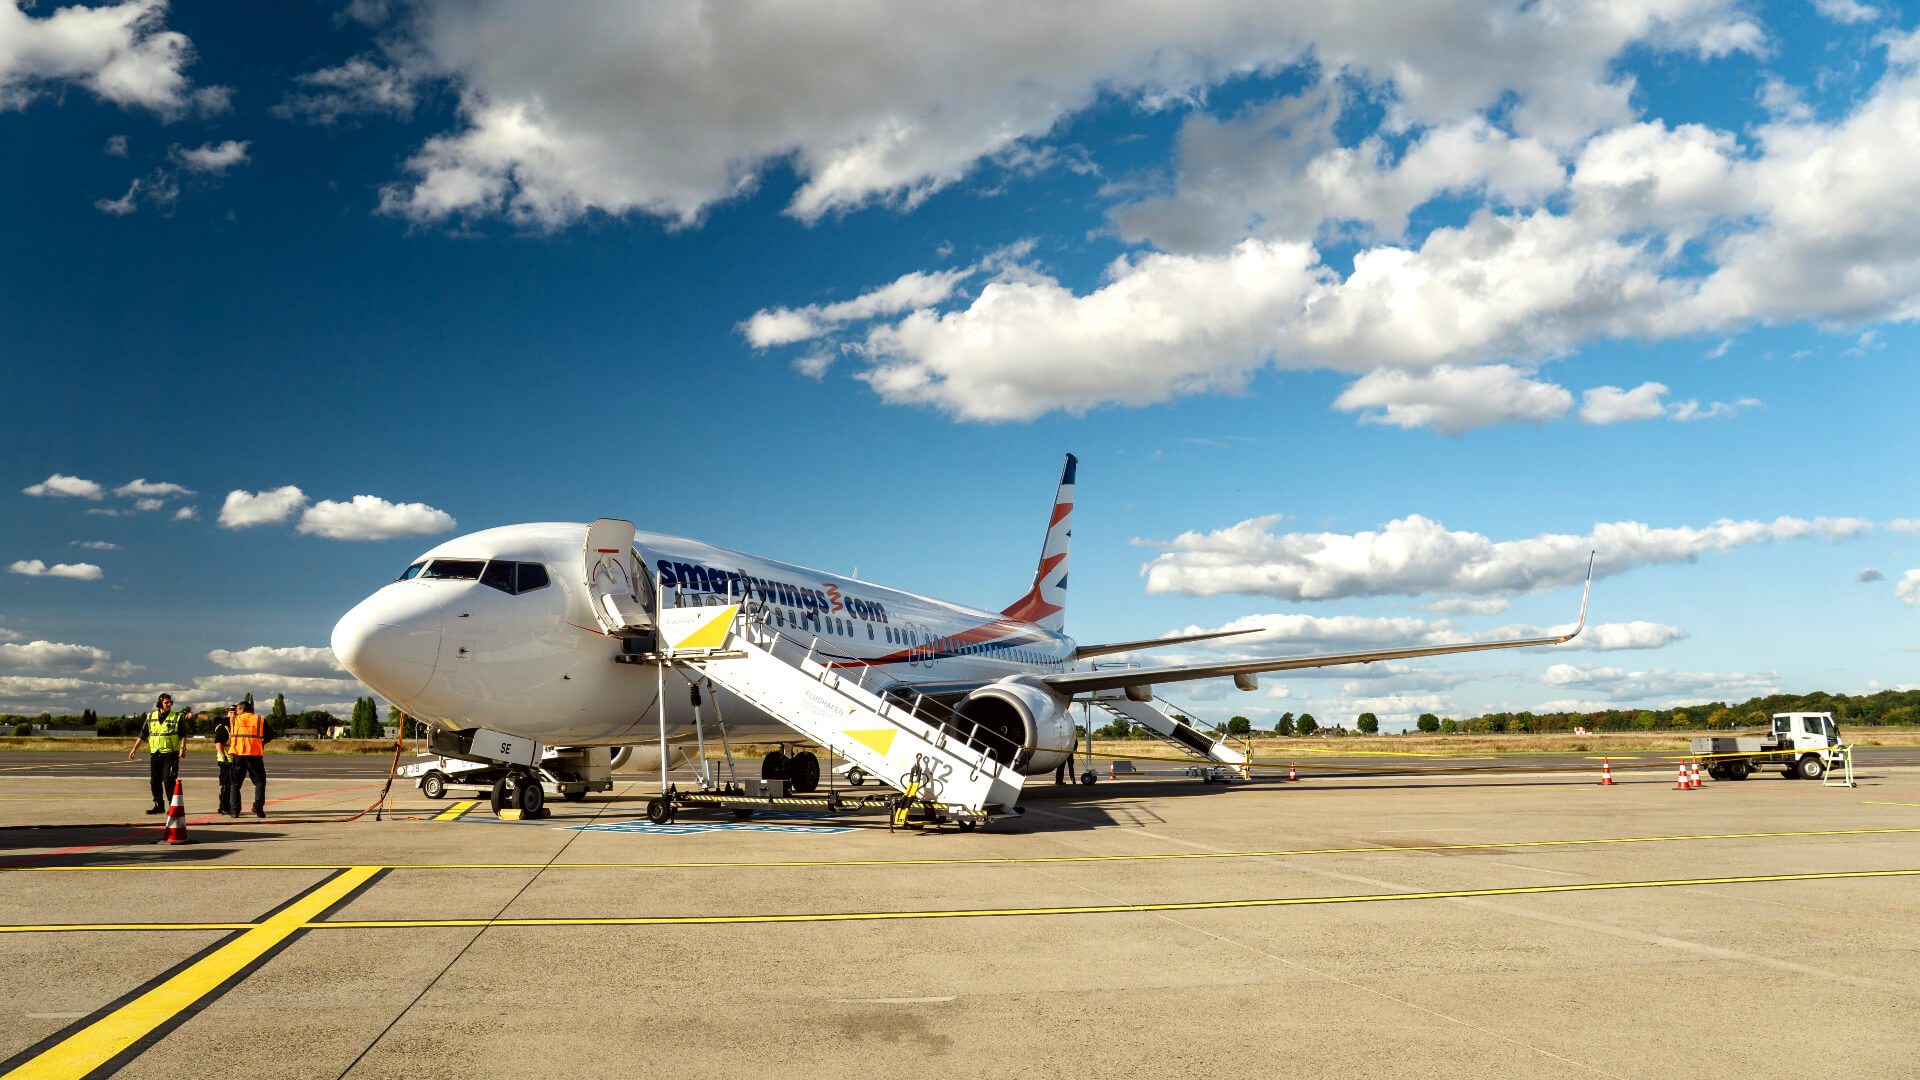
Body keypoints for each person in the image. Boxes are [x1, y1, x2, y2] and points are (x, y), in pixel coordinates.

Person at [127, 693, 188, 814]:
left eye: (171, 702)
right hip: (155, 754)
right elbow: (143, 735)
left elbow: (183, 735)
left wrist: (183, 748)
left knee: (168, 781)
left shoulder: (177, 716)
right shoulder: (151, 716)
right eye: (167, 702)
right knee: (154, 782)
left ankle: (173, 806)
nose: (169, 704)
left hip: (170, 754)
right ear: (160, 703)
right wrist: (134, 749)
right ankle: (159, 805)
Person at [225, 699, 271, 818]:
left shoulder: (234, 719)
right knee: (260, 782)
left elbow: (213, 719)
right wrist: (262, 743)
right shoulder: (259, 719)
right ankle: (258, 808)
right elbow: (270, 734)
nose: (236, 711)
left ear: (241, 709)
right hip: (255, 754)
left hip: (239, 754)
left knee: (235, 784)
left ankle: (235, 811)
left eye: (237, 709)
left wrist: (196, 715)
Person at [212, 705, 236, 816]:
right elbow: (218, 743)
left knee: (234, 785)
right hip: (226, 760)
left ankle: (231, 806)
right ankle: (224, 807)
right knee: (227, 784)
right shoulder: (224, 727)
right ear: (227, 712)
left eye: (236, 711)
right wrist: (224, 757)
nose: (233, 713)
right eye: (231, 711)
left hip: (236, 759)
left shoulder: (237, 726)